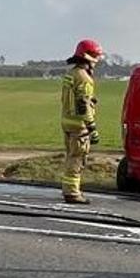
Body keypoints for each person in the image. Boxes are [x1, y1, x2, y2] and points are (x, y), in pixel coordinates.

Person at [61, 39, 104, 204]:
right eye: (96, 56)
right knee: (77, 158)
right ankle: (72, 193)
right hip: (79, 125)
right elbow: (82, 105)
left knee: (71, 156)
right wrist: (92, 127)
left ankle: (69, 190)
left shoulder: (71, 74)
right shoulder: (84, 78)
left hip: (67, 122)